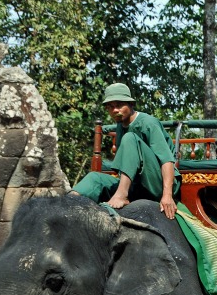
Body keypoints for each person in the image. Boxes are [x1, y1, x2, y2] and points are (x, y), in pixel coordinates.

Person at [73, 83, 180, 219]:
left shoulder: (148, 123)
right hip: (137, 184)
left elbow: (167, 161)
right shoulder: (120, 125)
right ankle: (65, 202)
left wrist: (167, 195)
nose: (115, 110)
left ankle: (121, 195)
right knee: (95, 178)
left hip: (157, 182)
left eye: (119, 105)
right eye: (110, 107)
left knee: (130, 138)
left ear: (130, 104)